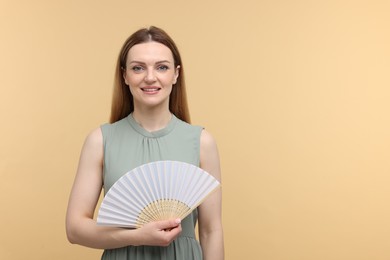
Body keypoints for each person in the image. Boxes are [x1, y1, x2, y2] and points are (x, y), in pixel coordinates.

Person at [65, 26, 224, 260]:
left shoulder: (201, 142)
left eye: (162, 67)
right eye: (138, 68)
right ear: (125, 75)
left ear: (176, 74)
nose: (150, 77)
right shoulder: (100, 140)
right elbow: (75, 229)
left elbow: (212, 231)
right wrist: (137, 236)